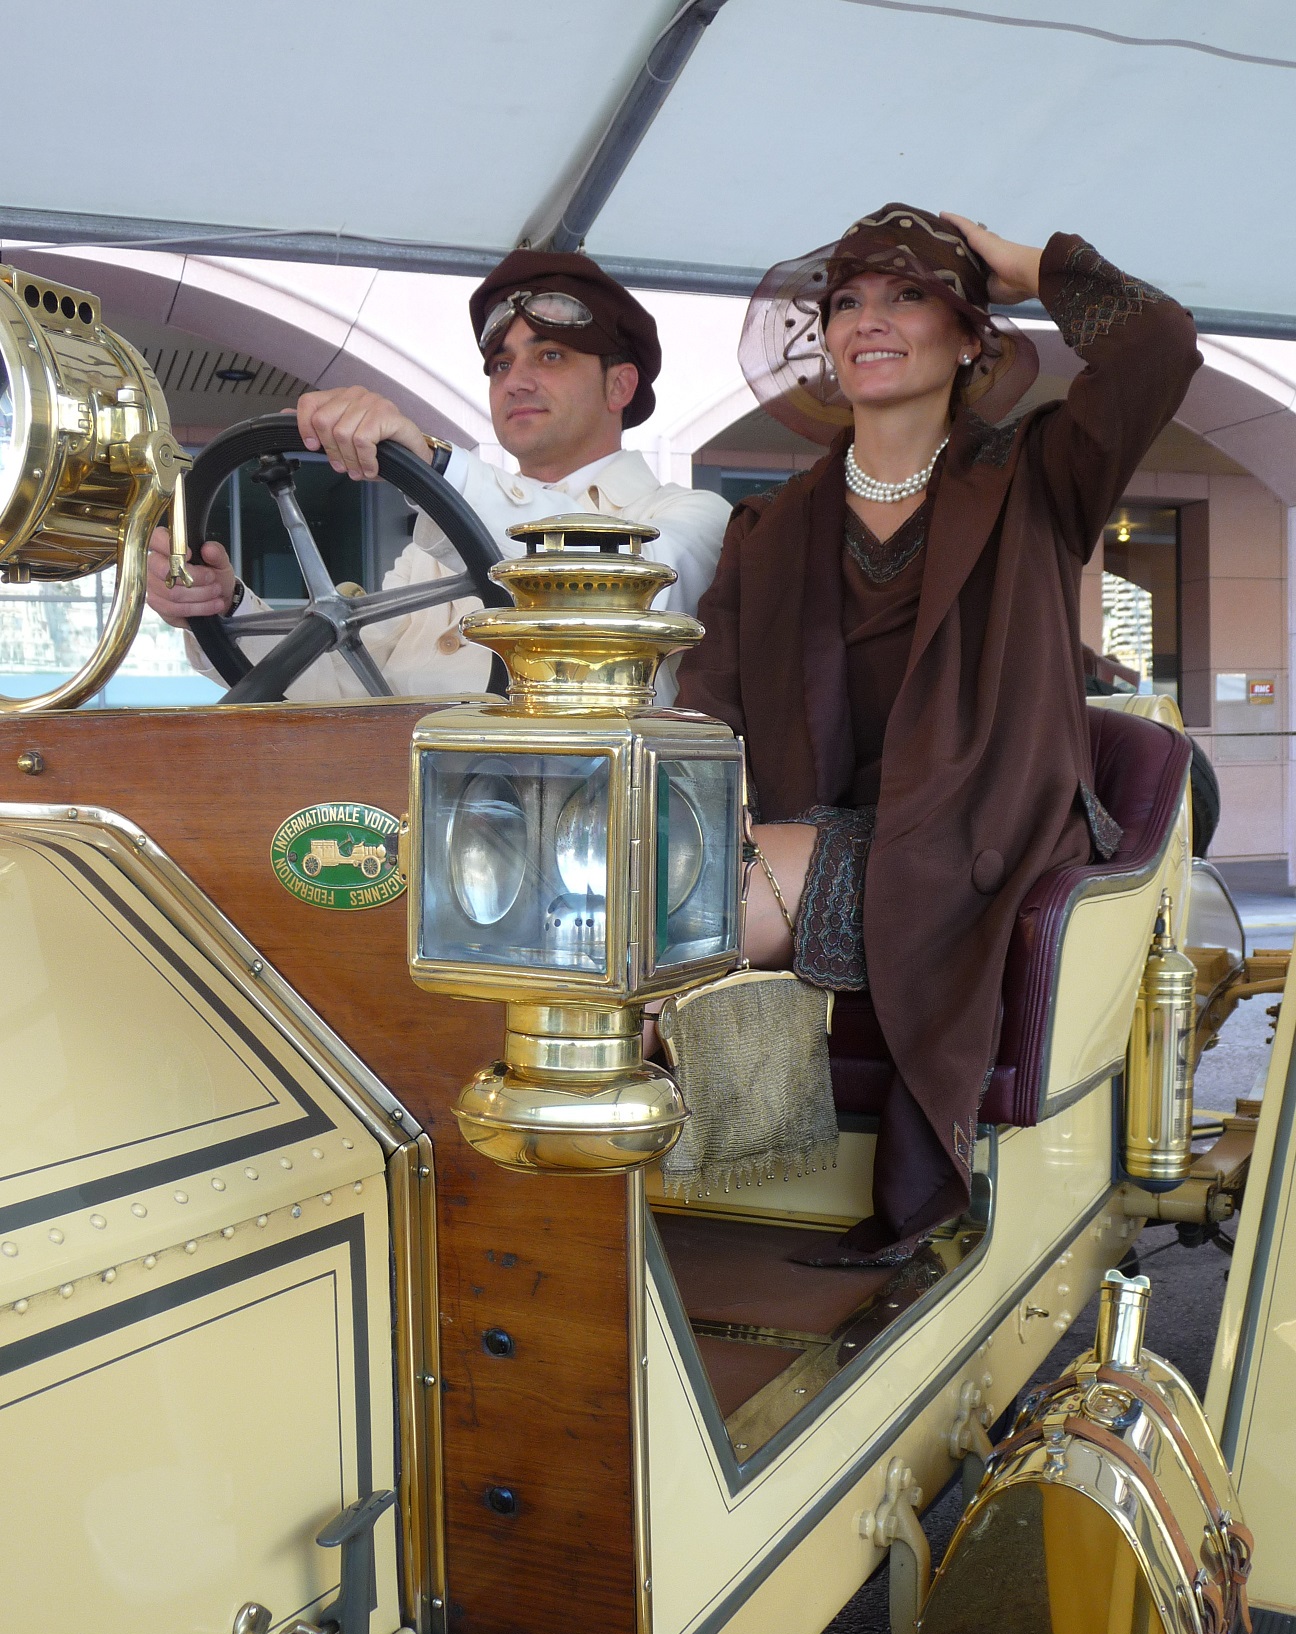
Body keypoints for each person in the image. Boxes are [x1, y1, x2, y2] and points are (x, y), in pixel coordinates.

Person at [676, 205, 1201, 1265]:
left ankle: (734, 1181)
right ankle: (712, 1211)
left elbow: (1158, 344)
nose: (869, 319)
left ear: (969, 337)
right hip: (814, 828)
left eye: (909, 295)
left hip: (984, 830)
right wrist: (688, 833)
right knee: (641, 899)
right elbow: (707, 718)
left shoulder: (1039, 474)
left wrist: (1027, 263)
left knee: (686, 908)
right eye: (848, 301)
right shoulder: (767, 528)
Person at [147, 251, 730, 705]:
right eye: (501, 364)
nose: (516, 381)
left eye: (550, 356)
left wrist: (431, 464)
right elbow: (342, 687)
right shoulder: (431, 552)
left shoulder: (693, 519)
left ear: (619, 385)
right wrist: (226, 610)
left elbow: (610, 591)